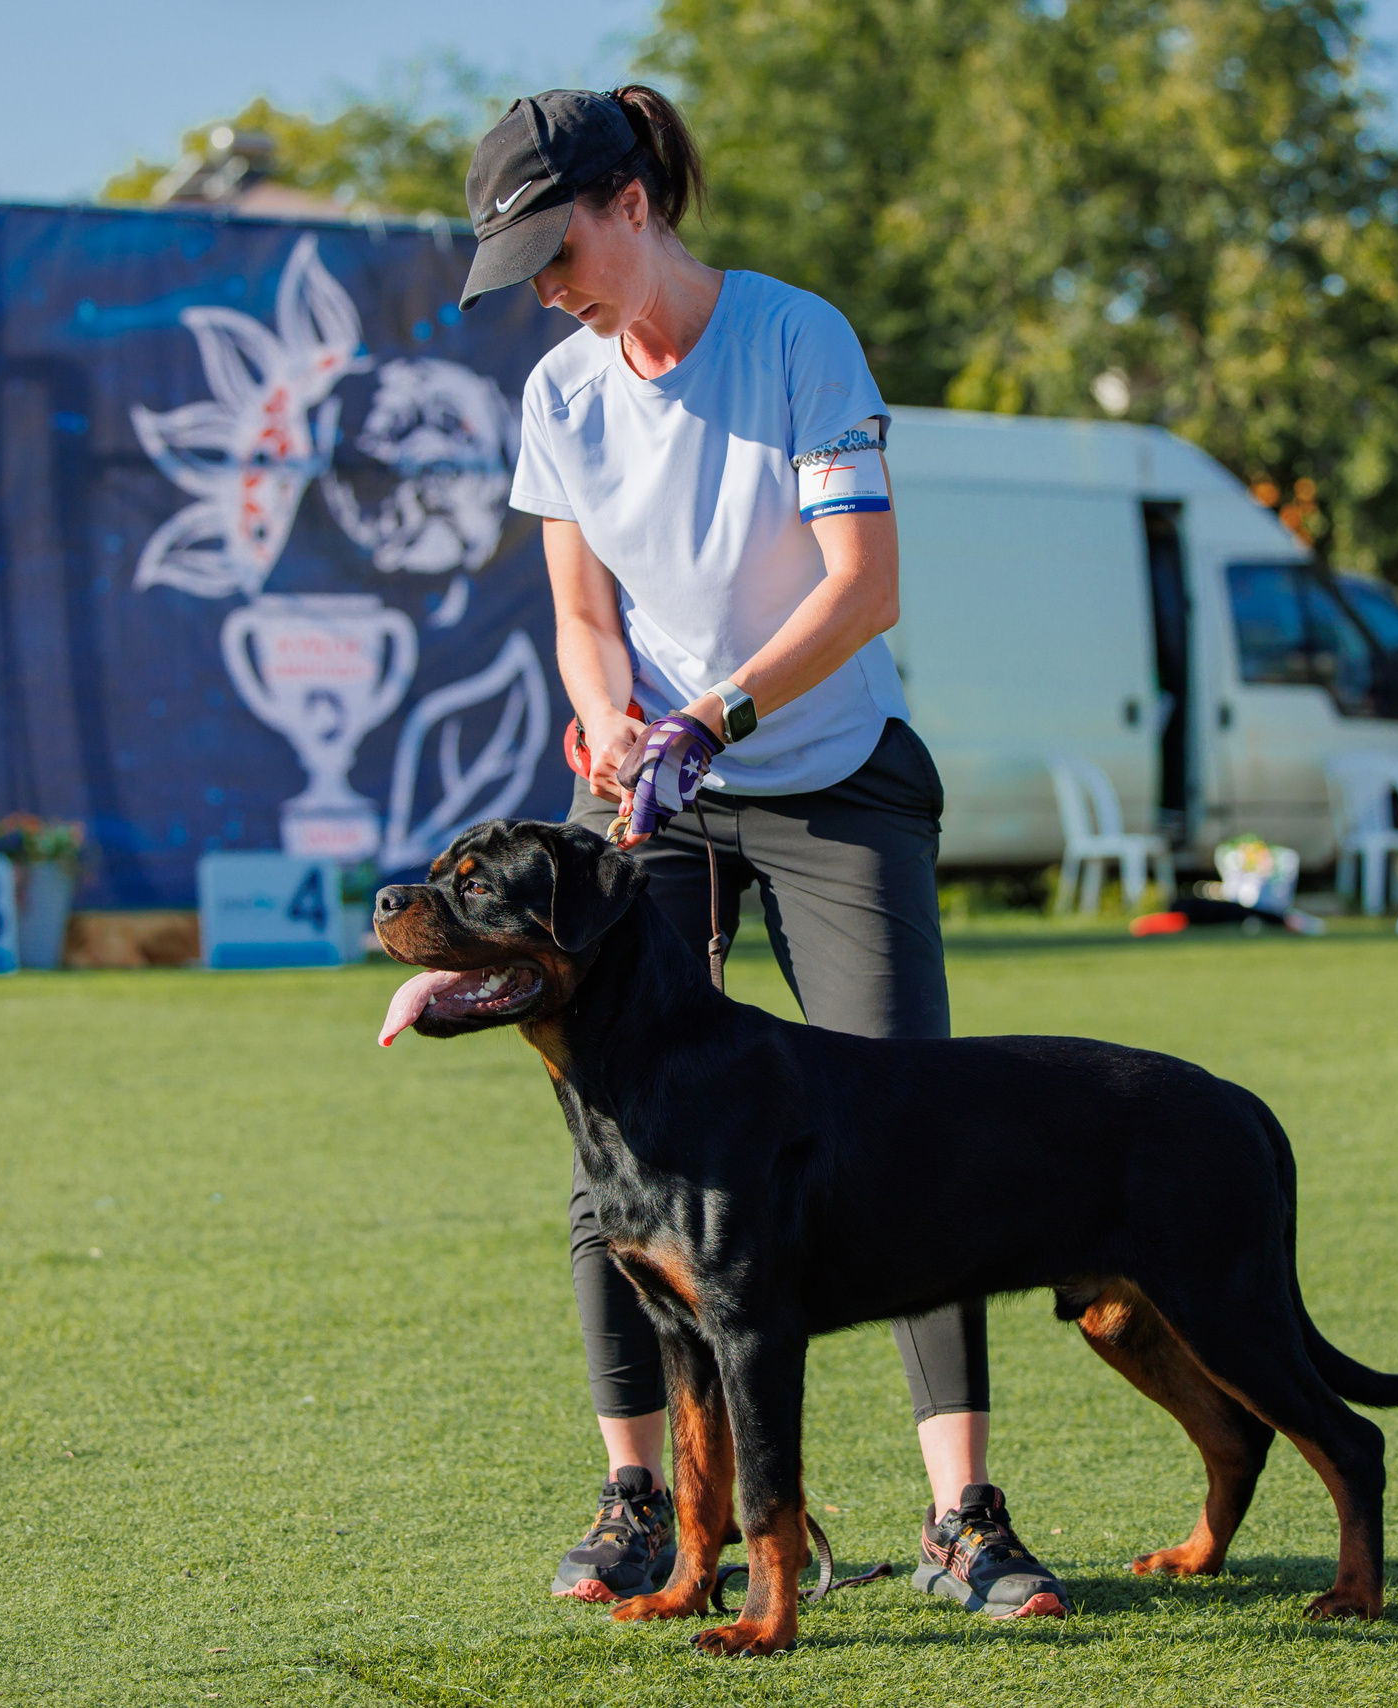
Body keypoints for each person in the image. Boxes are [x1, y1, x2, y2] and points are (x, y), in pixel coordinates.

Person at [455, 85, 1069, 1620]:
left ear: (635, 206)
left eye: (557, 246)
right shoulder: (561, 395)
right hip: (656, 795)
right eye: (519, 266)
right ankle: (640, 1504)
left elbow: (864, 587)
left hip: (827, 770)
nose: (546, 286)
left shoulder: (799, 339)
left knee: (907, 1127)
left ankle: (964, 1523)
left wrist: (712, 716)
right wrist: (609, 725)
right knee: (619, 1150)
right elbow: (584, 618)